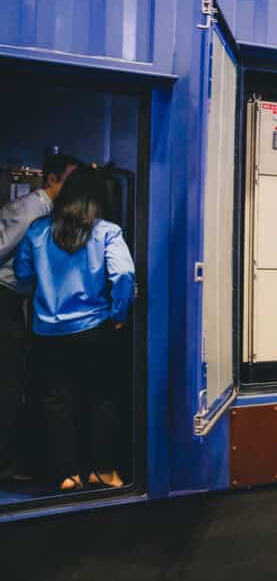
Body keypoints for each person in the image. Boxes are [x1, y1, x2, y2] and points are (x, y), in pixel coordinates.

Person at [14, 165, 135, 492]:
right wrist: (119, 313)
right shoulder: (107, 231)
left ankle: (66, 475)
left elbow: (23, 276)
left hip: (47, 333)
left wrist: (45, 294)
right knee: (103, 398)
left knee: (56, 402)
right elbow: (124, 275)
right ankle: (103, 471)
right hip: (94, 328)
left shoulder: (38, 230)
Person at [0, 154, 80, 481]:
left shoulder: (47, 212)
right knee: (9, 380)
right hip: (5, 296)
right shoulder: (31, 211)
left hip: (14, 298)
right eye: (70, 179)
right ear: (51, 179)